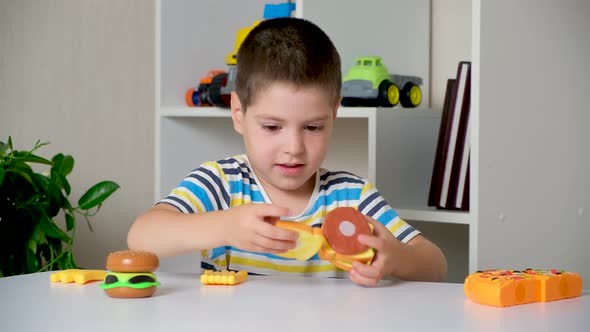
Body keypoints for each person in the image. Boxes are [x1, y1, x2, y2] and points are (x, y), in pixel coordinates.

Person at [128, 17, 447, 286]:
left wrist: (396, 258)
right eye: (271, 127)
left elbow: (437, 265)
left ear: (334, 114)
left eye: (313, 128)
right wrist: (223, 226)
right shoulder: (223, 183)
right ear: (238, 113)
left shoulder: (350, 196)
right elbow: (141, 236)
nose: (293, 148)